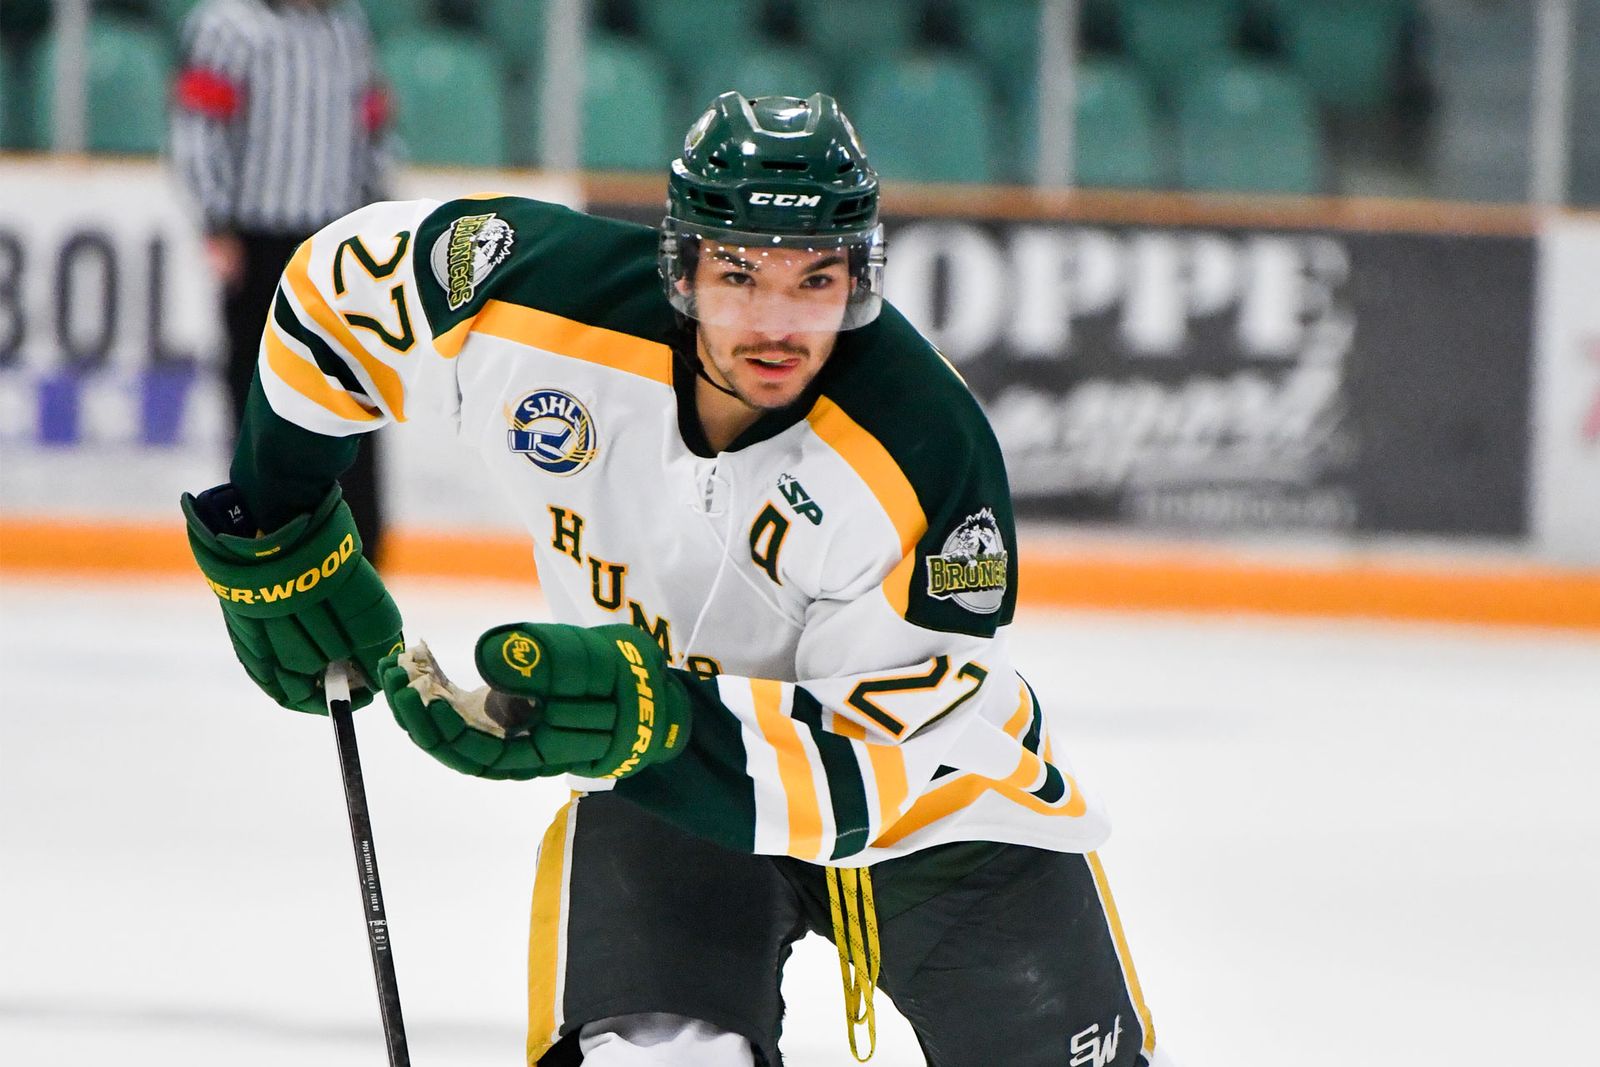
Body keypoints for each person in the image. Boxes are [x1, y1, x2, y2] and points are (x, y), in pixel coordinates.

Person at [181, 92, 1172, 1067]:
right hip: (673, 795)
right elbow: (338, 295)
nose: (775, 322)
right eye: (740, 274)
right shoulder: (538, 299)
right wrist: (278, 517)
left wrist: (658, 718)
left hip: (940, 813)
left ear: (856, 278)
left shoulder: (925, 449)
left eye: (813, 279)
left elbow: (893, 749)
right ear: (683, 262)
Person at [169, 0, 390, 559]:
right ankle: (264, 530)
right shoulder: (227, 25)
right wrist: (217, 220)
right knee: (258, 386)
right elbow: (199, 128)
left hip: (340, 237)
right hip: (258, 239)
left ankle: (359, 536)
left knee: (355, 384)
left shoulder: (347, 26)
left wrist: (381, 213)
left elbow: (371, 127)